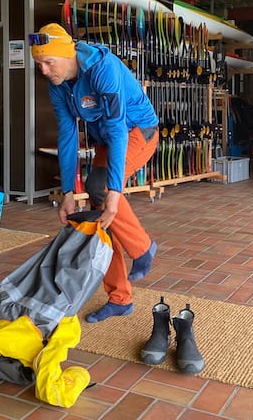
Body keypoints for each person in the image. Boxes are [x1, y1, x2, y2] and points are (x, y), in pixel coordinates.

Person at [30, 22, 159, 323]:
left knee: (101, 188)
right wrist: (67, 193)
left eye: (49, 62)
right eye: (39, 64)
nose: (45, 71)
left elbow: (117, 128)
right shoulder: (58, 85)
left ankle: (143, 247)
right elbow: (67, 135)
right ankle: (120, 298)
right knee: (101, 216)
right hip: (108, 140)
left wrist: (115, 193)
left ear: (68, 54)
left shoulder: (104, 69)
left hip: (137, 132)